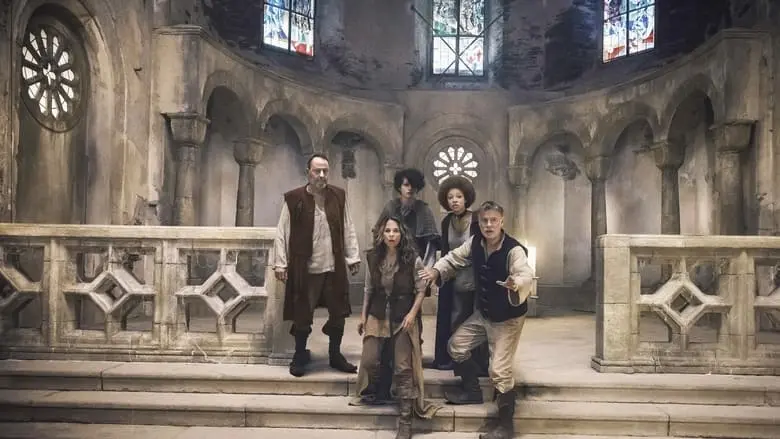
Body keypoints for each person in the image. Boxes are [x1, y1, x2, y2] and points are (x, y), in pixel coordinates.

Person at [419, 201, 534, 439]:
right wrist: (436, 271)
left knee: (499, 370)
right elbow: (453, 258)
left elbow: (525, 273)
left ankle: (505, 427)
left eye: (493, 220)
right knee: (456, 346)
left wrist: (516, 283)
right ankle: (472, 391)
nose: (489, 225)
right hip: (485, 314)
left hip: (509, 319)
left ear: (502, 222)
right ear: (479, 222)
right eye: (484, 220)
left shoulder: (514, 250)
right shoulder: (474, 243)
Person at [351, 214, 440, 439]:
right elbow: (368, 289)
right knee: (369, 359)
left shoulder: (413, 259)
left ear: (402, 234)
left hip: (403, 315)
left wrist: (412, 314)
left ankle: (405, 420)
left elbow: (421, 290)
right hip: (378, 313)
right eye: (388, 231)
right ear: (381, 234)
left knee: (403, 366)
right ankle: (379, 391)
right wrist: (363, 316)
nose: (391, 235)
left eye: (396, 231)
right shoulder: (373, 257)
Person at [273, 153, 361, 378]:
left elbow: (348, 226)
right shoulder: (294, 198)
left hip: (333, 266)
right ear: (308, 173)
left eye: (325, 171)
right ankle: (299, 354)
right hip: (306, 268)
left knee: (339, 311)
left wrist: (352, 257)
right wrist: (280, 263)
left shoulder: (338, 196)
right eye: (317, 171)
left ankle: (335, 354)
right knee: (302, 313)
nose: (321, 175)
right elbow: (282, 232)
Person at [430, 176, 489, 376]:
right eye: (450, 197)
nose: (454, 200)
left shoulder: (477, 219)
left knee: (474, 320)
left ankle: (475, 363)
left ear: (466, 198)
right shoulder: (446, 222)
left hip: (475, 278)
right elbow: (446, 251)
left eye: (458, 196)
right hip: (453, 278)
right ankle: (454, 359)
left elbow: (480, 250)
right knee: (453, 319)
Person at [377, 168, 440, 267]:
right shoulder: (391, 207)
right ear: (399, 187)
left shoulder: (424, 210)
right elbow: (378, 233)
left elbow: (431, 243)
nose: (410, 188)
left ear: (417, 188)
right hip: (393, 259)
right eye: (406, 185)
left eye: (413, 185)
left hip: (417, 260)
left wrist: (427, 267)